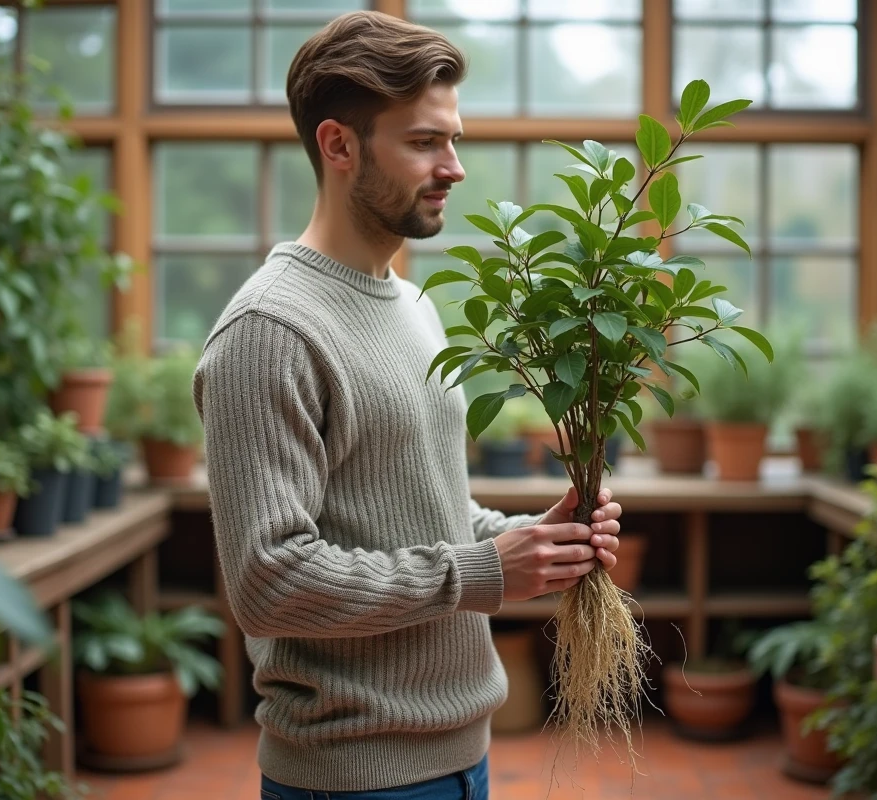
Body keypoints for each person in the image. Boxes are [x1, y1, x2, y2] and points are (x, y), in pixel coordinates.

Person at [192, 10, 624, 799]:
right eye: (425, 142)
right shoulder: (270, 330)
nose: (454, 167)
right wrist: (484, 570)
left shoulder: (413, 304)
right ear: (339, 146)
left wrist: (530, 540)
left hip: (462, 755)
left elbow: (422, 510)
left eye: (453, 139)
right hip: (354, 776)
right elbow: (268, 582)